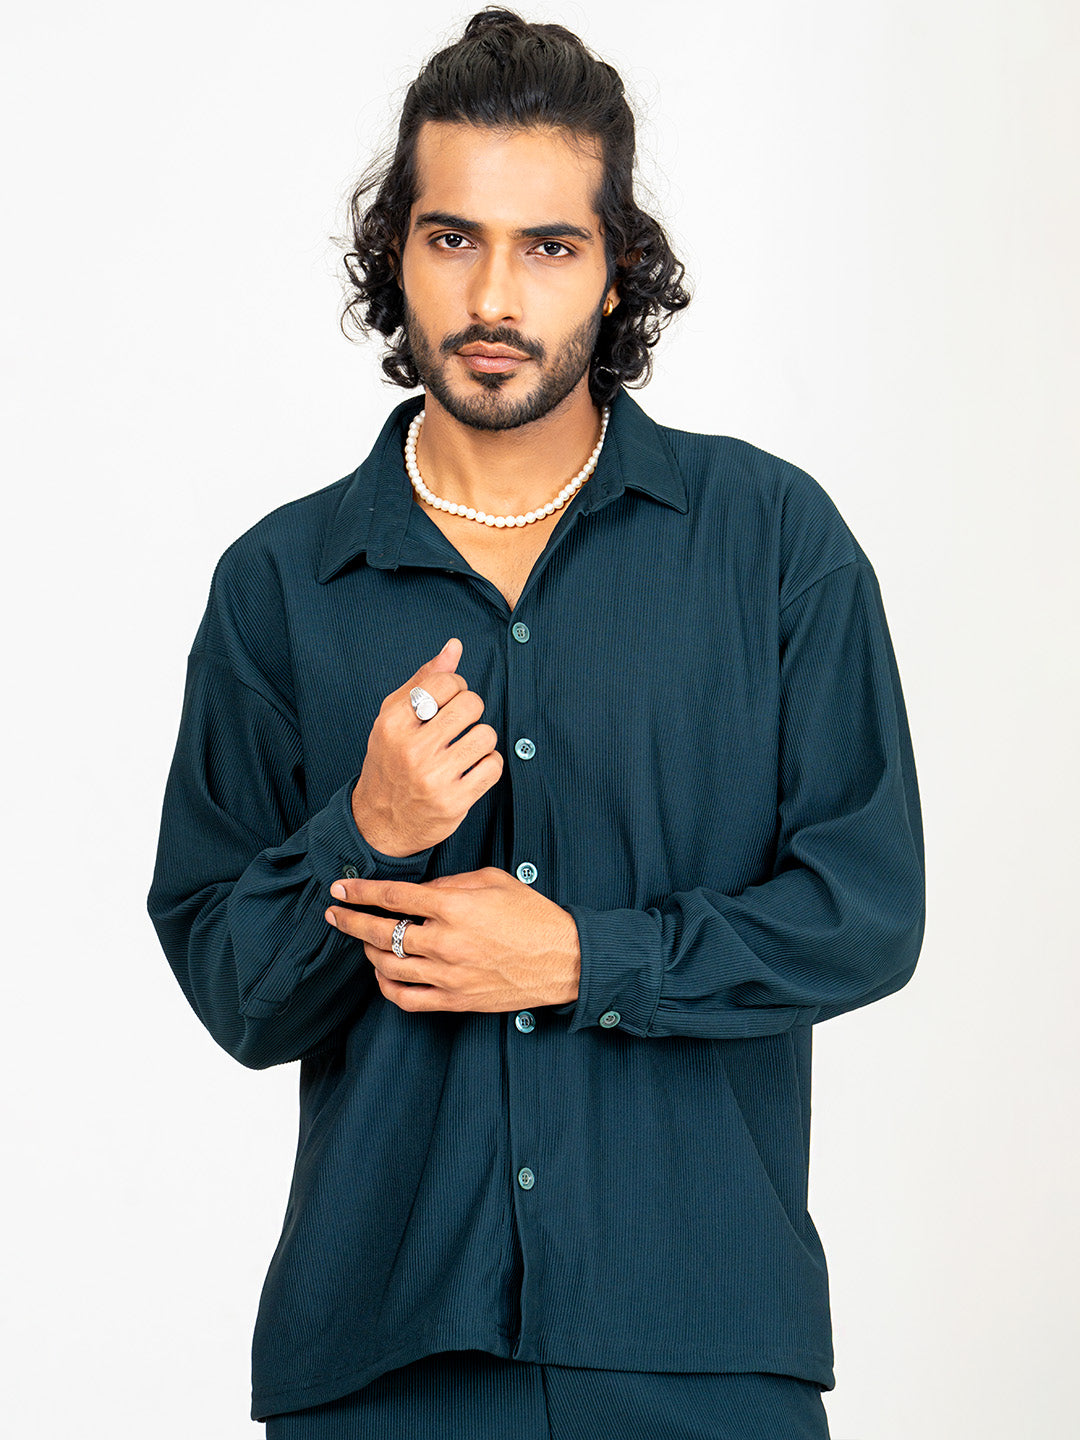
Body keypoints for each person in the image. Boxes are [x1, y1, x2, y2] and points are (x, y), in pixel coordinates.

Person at [147, 9, 926, 1438]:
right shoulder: (282, 584)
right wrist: (365, 830)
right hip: (385, 1368)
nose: (494, 295)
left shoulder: (768, 541)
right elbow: (239, 1000)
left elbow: (865, 913)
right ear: (396, 251)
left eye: (549, 246)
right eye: (452, 238)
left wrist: (583, 957)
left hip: (699, 1350)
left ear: (617, 269)